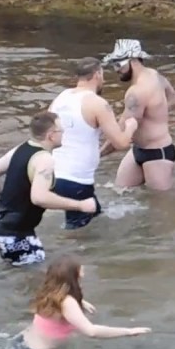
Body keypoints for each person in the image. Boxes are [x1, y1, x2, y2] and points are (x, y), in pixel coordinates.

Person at [0, 112, 99, 266]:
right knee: (35, 278)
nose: (64, 134)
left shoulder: (20, 149)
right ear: (51, 135)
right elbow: (39, 197)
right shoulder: (44, 160)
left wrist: (3, 195)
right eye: (61, 130)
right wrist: (80, 205)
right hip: (16, 234)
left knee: (20, 273)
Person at [6, 256, 150, 349]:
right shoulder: (67, 302)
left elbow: (61, 304)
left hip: (22, 342)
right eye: (81, 270)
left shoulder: (48, 290)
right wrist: (128, 332)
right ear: (74, 275)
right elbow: (91, 331)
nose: (84, 272)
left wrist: (80, 302)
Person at [49, 58, 137, 229]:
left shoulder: (61, 97)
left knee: (95, 215)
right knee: (78, 234)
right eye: (103, 75)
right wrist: (131, 128)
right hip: (76, 180)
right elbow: (120, 143)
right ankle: (64, 254)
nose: (103, 80)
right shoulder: (97, 103)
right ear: (97, 74)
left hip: (52, 174)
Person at [103, 39, 175, 191]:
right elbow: (174, 97)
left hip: (158, 154)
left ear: (133, 61)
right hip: (138, 150)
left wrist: (98, 155)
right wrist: (157, 114)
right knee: (119, 192)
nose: (115, 69)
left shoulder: (136, 92)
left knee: (161, 206)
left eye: (118, 64)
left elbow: (121, 130)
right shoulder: (154, 75)